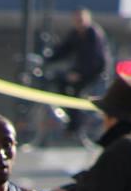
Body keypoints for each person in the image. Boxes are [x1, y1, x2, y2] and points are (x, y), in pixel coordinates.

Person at [46, 8, 109, 138]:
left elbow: (95, 60)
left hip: (94, 72)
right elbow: (65, 50)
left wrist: (80, 74)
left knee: (76, 92)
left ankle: (75, 125)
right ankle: (72, 118)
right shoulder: (75, 34)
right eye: (77, 20)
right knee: (60, 83)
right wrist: (47, 59)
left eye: (81, 20)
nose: (79, 23)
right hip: (79, 71)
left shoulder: (93, 34)